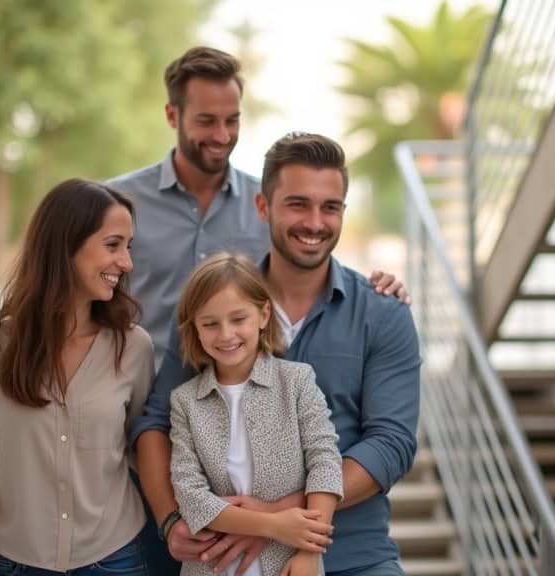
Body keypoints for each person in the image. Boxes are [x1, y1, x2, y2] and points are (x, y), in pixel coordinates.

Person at [109, 46, 410, 575]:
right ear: (263, 207)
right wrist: (173, 521)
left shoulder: (382, 315)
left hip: (351, 555)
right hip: (220, 554)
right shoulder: (218, 317)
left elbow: (391, 442)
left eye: (330, 206)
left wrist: (276, 518)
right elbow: (155, 422)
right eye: (298, 204)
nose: (315, 222)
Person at [0, 179, 155, 576]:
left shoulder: (133, 348)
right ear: (66, 244)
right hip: (16, 564)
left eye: (128, 247)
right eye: (113, 245)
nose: (126, 263)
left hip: (115, 560)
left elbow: (142, 450)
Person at [169, 252, 344, 576]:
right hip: (211, 566)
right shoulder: (184, 402)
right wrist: (273, 525)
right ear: (194, 328)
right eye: (210, 323)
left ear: (264, 314)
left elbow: (325, 464)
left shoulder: (297, 381)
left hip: (291, 562)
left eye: (238, 319)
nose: (225, 335)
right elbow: (191, 497)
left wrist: (308, 551)